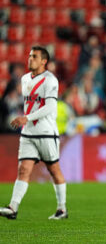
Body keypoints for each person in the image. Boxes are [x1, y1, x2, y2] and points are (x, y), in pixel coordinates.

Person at [0, 46, 67, 220]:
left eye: (34, 56)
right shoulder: (24, 79)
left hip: (46, 132)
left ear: (44, 61)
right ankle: (13, 207)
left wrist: (26, 118)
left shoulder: (50, 80)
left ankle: (62, 208)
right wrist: (26, 120)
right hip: (28, 133)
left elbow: (50, 106)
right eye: (29, 56)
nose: (30, 59)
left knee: (54, 170)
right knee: (23, 170)